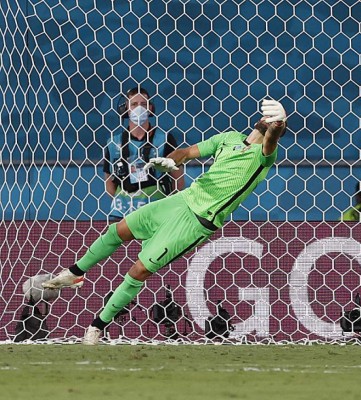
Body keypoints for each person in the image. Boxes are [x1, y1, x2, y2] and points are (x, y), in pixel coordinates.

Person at [43, 99, 288, 345]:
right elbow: (188, 152)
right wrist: (173, 161)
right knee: (118, 230)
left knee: (138, 271)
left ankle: (97, 327)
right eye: (268, 118)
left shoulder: (264, 156)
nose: (267, 121)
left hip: (197, 221)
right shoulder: (229, 138)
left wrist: (279, 123)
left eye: (272, 120)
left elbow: (271, 140)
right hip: (181, 200)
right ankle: (74, 273)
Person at [104, 87, 184, 219]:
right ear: (125, 109)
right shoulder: (113, 143)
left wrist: (168, 206)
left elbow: (178, 180)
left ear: (150, 108)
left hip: (156, 211)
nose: (139, 108)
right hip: (121, 212)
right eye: (134, 104)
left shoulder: (164, 139)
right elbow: (109, 183)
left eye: (143, 104)